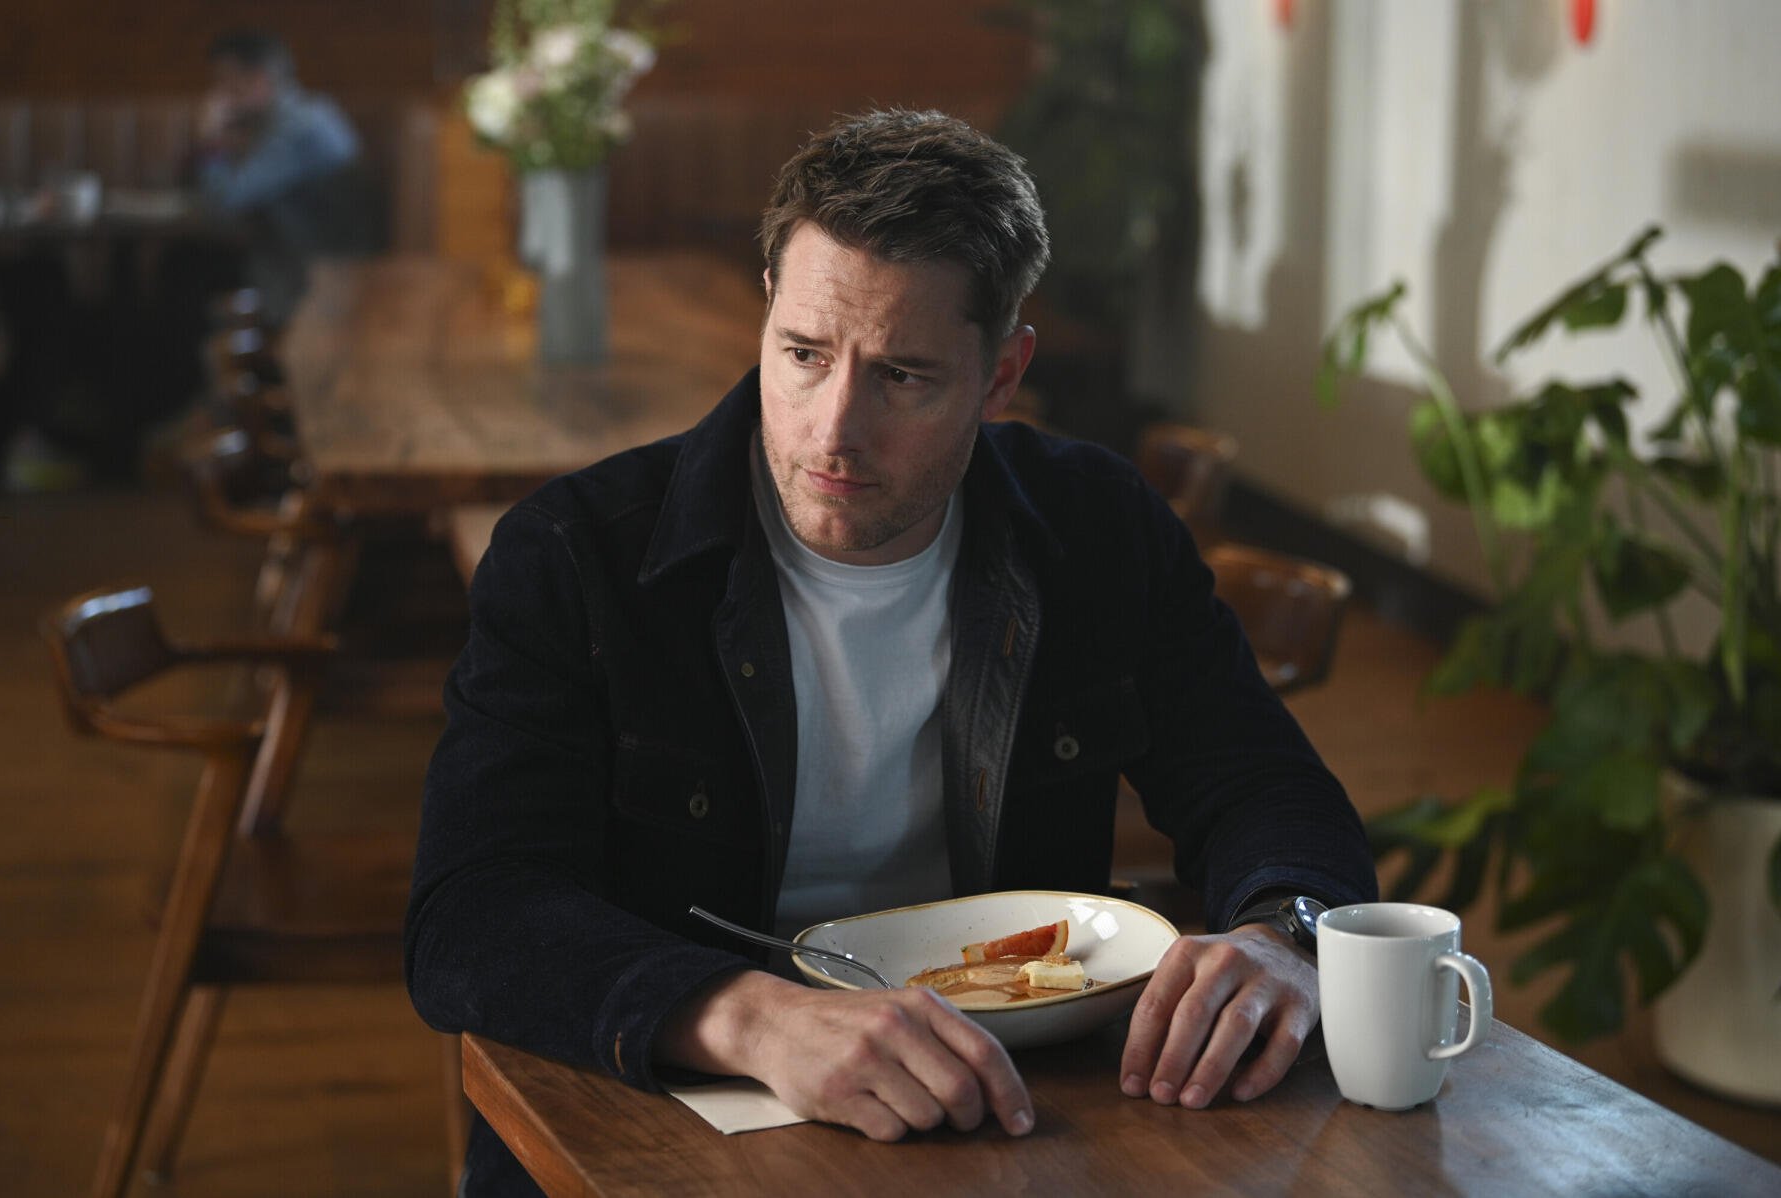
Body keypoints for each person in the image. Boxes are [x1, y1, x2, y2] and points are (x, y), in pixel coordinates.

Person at [406, 108, 1377, 1193]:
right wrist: (749, 1016)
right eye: (805, 355)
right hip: (657, 1110)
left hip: (996, 1112)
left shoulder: (1094, 528)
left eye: (903, 377)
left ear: (1002, 376)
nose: (833, 430)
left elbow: (1258, 780)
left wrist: (1283, 931)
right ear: (766, 310)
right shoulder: (576, 554)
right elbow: (471, 910)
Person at [191, 29, 365, 324]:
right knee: (186, 262)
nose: (217, 96)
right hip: (297, 260)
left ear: (258, 80)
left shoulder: (298, 129)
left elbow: (223, 203)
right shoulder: (296, 117)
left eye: (225, 83)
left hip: (311, 275)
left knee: (184, 270)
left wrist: (209, 143)